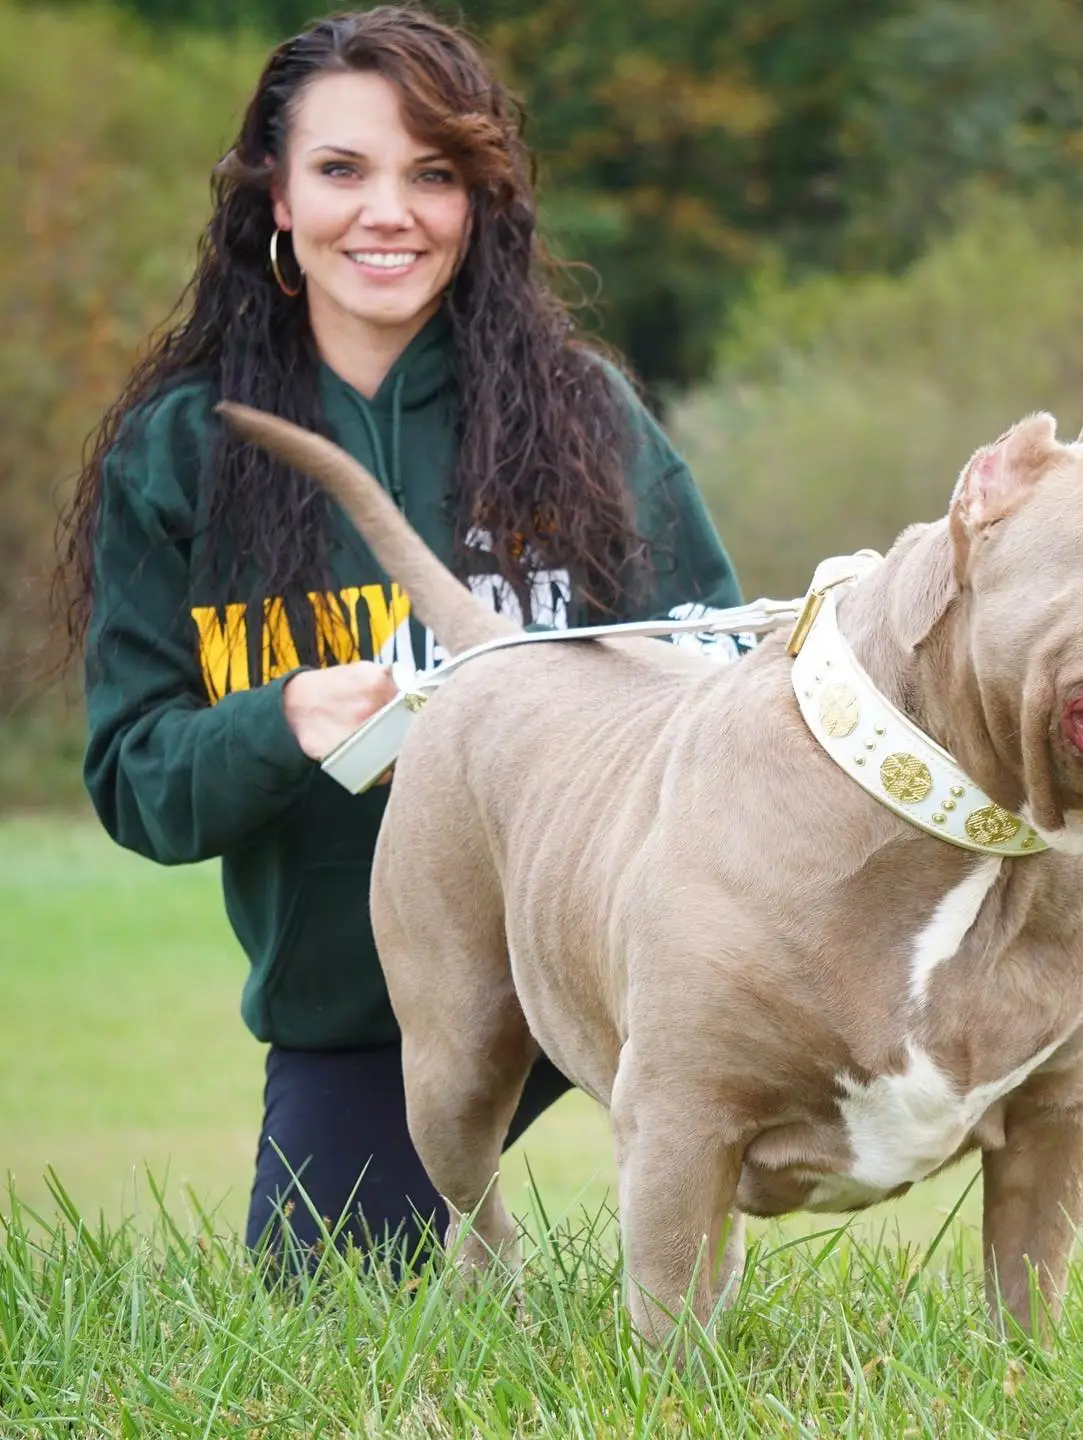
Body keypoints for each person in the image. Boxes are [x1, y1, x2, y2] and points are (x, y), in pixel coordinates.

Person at [53, 4, 746, 1266]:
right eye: (341, 170)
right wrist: (286, 721)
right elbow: (136, 786)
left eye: (433, 175)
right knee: (333, 1308)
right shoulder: (181, 452)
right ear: (273, 196)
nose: (390, 212)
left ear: (478, 202)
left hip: (610, 975)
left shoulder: (583, 418)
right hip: (368, 1013)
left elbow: (725, 682)